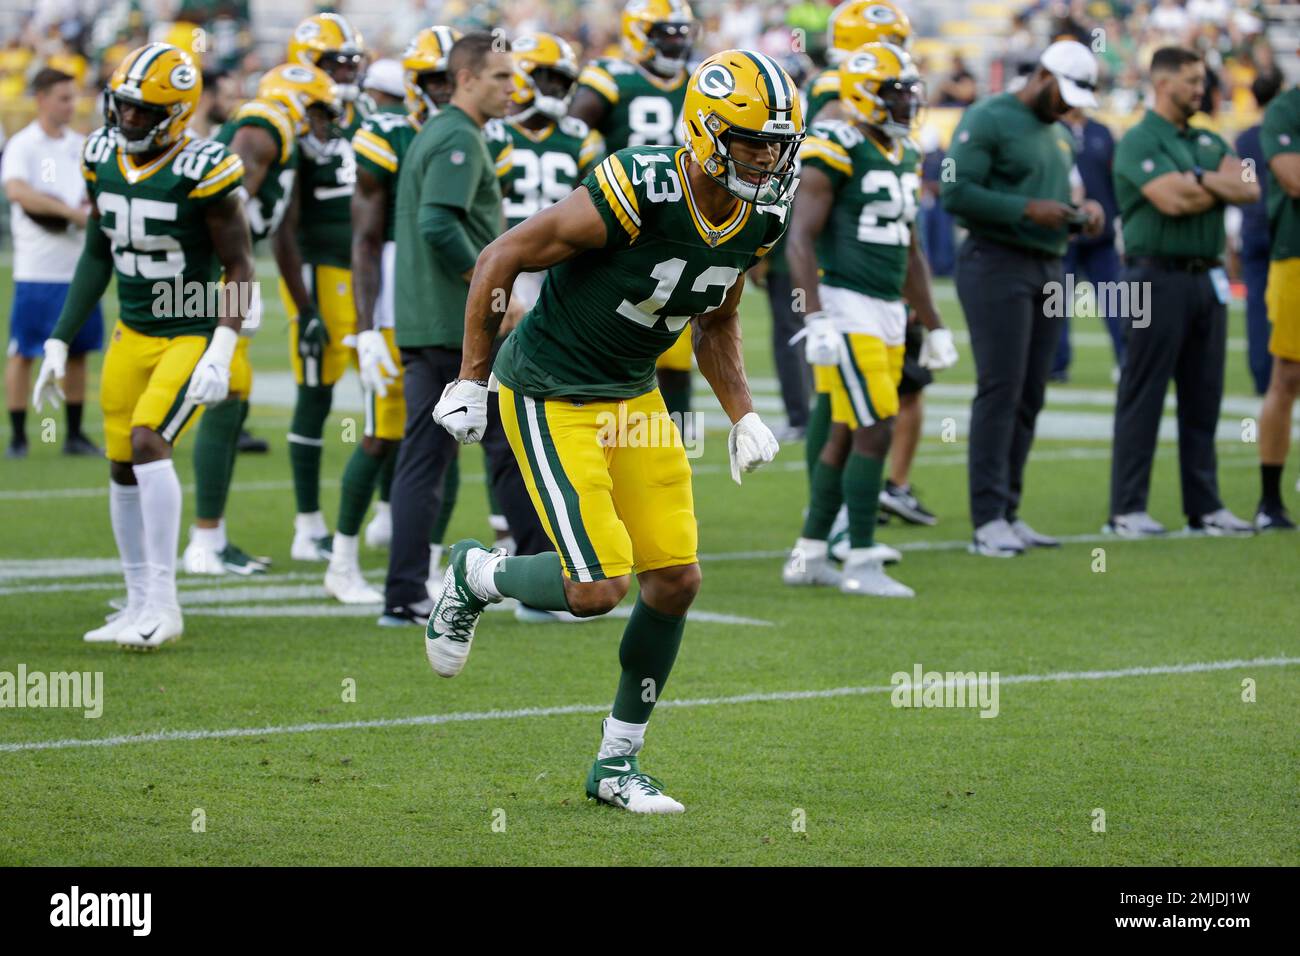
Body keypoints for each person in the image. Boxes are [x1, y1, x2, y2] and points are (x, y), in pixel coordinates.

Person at [427, 49, 799, 813]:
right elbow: (502, 256)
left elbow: (717, 319)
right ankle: (475, 576)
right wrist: (471, 374)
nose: (768, 157)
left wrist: (744, 412)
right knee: (597, 588)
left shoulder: (762, 212)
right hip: (550, 389)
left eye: (777, 143)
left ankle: (617, 763)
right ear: (704, 133)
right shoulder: (641, 185)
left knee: (676, 579)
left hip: (633, 394)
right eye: (753, 140)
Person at [31, 43, 253, 647]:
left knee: (148, 440)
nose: (127, 119)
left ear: (177, 113)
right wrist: (58, 339)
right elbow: (96, 253)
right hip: (132, 332)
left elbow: (239, 265)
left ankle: (164, 601)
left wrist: (222, 346)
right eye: (122, 107)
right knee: (120, 464)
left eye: (141, 111)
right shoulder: (99, 153)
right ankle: (134, 602)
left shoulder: (204, 166)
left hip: (189, 328)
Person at [782, 42, 949, 597]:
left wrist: (936, 321)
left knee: (844, 429)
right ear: (863, 94)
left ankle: (808, 557)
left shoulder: (903, 150)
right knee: (875, 427)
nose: (906, 101)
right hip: (845, 302)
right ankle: (860, 556)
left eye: (909, 91)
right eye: (894, 91)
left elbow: (912, 247)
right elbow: (800, 237)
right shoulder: (835, 142)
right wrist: (816, 315)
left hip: (886, 308)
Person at [941, 40, 1105, 557]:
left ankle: (1009, 509)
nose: (1069, 106)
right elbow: (954, 191)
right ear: (1043, 76)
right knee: (1001, 387)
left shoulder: (1060, 134)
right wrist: (1025, 209)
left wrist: (1086, 212)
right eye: (1066, 93)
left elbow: (1065, 195)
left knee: (1032, 391)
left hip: (1049, 264)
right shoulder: (990, 116)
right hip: (996, 262)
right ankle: (987, 518)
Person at [379, 32, 516, 625]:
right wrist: (486, 285)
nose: (512, 88)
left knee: (428, 458)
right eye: (500, 77)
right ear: (466, 79)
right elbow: (437, 223)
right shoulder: (458, 136)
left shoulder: (446, 133)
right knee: (504, 448)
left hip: (430, 321)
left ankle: (405, 591)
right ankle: (540, 578)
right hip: (451, 328)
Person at [183, 63, 341, 576]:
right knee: (222, 395)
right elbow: (224, 199)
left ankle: (211, 537)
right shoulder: (264, 125)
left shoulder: (276, 134)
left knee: (231, 396)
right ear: (296, 104)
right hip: (215, 276)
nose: (324, 123)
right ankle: (204, 540)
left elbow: (275, 229)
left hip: (227, 274)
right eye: (317, 111)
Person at [1107, 47, 1259, 537]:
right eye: (1192, 81)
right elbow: (1171, 200)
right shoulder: (1136, 140)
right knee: (1143, 393)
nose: (1201, 89)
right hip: (1154, 278)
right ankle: (1126, 510)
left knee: (1205, 395)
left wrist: (1197, 180)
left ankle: (1205, 506)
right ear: (1163, 82)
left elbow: (1251, 185)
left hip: (1205, 278)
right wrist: (1211, 182)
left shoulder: (1209, 136)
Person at [571, 0, 697, 429]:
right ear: (640, 34)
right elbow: (573, 134)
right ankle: (603, 426)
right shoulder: (612, 78)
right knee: (614, 333)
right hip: (626, 218)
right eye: (667, 33)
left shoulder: (700, 82)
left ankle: (672, 439)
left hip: (682, 222)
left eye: (682, 33)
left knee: (677, 347)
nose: (676, 42)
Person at [280, 12, 368, 562]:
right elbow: (284, 222)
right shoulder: (292, 120)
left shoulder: (365, 113)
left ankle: (384, 512)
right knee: (316, 392)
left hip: (369, 271)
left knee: (387, 391)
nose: (345, 72)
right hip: (321, 267)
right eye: (333, 63)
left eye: (349, 62)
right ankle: (307, 520)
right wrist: (303, 301)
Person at [3, 68, 101, 458]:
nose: (70, 105)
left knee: (78, 352)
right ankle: (19, 436)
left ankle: (74, 435)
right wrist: (71, 214)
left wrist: (86, 209)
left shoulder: (80, 145)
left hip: (78, 269)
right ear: (41, 99)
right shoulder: (23, 144)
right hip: (37, 269)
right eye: (63, 97)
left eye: (73, 97)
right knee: (24, 351)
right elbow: (19, 192)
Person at [1255, 71, 1300, 530]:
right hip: (1296, 256)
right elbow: (1293, 178)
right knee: (1288, 375)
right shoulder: (1288, 108)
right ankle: (1270, 499)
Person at [1051, 104, 1124, 381]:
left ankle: (1125, 360)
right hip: (1063, 233)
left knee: (1116, 300)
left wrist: (1116, 219)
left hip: (1100, 236)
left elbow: (1115, 179)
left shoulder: (1101, 132)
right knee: (1057, 304)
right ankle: (1056, 366)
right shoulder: (1053, 129)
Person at [1236, 70, 1282, 398]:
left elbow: (1247, 183)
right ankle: (1282, 373)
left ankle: (1260, 375)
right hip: (1282, 228)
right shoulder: (1287, 133)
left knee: (1256, 305)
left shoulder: (1244, 138)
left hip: (1253, 225)